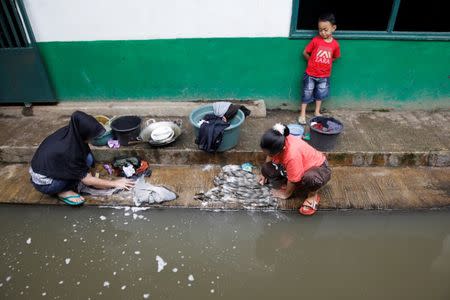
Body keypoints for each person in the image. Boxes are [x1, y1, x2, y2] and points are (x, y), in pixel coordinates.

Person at [29, 111, 134, 206]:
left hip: (47, 166)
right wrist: (115, 183)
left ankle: (74, 180)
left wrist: (89, 175)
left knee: (88, 158)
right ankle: (62, 192)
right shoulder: (70, 151)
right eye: (93, 137)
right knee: (79, 180)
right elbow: (87, 181)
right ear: (85, 134)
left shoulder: (72, 132)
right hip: (46, 183)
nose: (94, 139)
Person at [259, 123, 331, 215]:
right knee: (266, 169)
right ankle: (296, 183)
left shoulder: (292, 155)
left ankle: (313, 195)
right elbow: (269, 154)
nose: (269, 155)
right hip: (297, 165)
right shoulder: (279, 139)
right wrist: (263, 174)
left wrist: (285, 194)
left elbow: (292, 180)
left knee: (310, 178)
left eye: (271, 154)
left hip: (319, 169)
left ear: (282, 149)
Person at [298, 13, 340, 125]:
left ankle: (317, 111)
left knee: (320, 94)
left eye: (325, 30)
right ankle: (302, 113)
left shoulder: (335, 44)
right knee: (307, 93)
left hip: (324, 76)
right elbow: (305, 52)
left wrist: (327, 62)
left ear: (333, 28)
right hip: (311, 74)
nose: (323, 32)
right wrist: (311, 61)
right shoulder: (316, 40)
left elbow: (335, 57)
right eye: (320, 30)